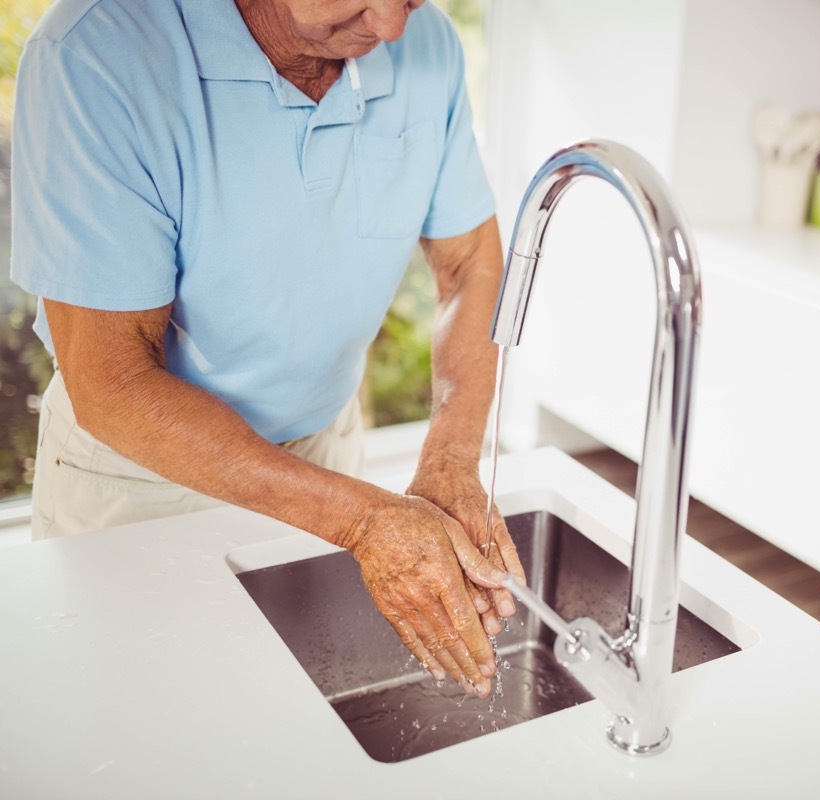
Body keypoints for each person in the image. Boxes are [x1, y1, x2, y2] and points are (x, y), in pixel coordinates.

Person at [9, 0, 524, 698]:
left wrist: (453, 457)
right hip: (138, 480)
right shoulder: (94, 54)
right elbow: (114, 383)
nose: (394, 28)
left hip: (326, 452)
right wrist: (365, 521)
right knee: (143, 725)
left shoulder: (422, 42)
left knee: (298, 718)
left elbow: (470, 266)